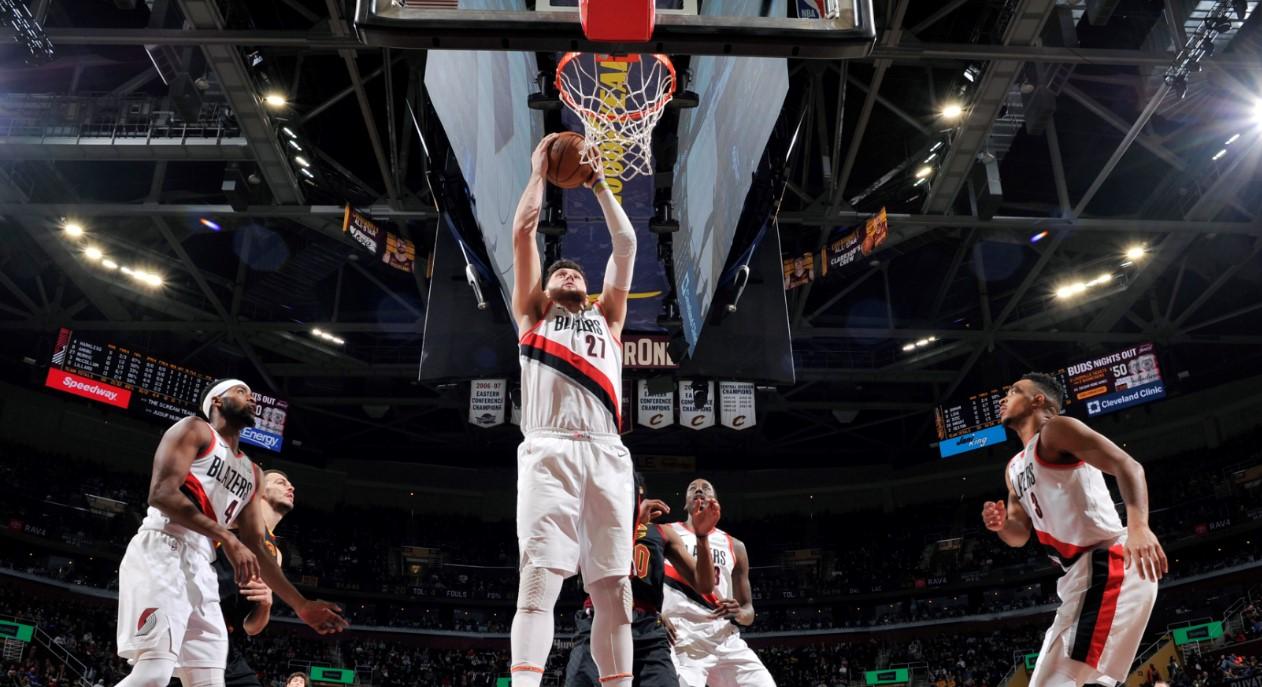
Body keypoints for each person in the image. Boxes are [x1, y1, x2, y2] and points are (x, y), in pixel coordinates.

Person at [113, 379, 346, 687]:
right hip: (163, 548)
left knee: (211, 682)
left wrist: (300, 604)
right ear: (218, 402)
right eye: (241, 392)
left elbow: (256, 546)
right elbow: (161, 493)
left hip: (201, 567)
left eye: (252, 395)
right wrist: (229, 537)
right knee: (154, 674)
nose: (251, 400)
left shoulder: (252, 472)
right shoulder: (194, 430)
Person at [508, 134, 638, 687]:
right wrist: (540, 172)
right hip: (549, 448)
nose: (568, 275)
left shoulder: (609, 318)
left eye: (575, 274)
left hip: (608, 452)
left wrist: (600, 183)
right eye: (559, 273)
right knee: (539, 579)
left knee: (615, 588)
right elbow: (523, 231)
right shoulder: (532, 316)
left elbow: (627, 243)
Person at [982, 372, 1165, 687]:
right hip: (1077, 580)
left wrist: (1139, 527)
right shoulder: (1013, 468)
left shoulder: (1056, 430)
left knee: (1060, 681)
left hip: (1110, 561)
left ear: (1038, 400)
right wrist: (1000, 525)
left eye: (1014, 391)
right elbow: (1019, 535)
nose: (1004, 398)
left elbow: (1129, 466)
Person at [564, 473, 720, 687]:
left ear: (639, 494)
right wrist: (633, 523)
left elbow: (704, 584)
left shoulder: (662, 532)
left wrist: (702, 538)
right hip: (598, 621)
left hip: (647, 628)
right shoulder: (595, 523)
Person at [662, 479, 776, 687]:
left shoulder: (736, 546)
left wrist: (739, 613)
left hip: (723, 636)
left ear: (714, 501)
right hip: (681, 636)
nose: (699, 489)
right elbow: (638, 580)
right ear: (686, 504)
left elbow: (748, 611)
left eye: (706, 488)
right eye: (692, 488)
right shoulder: (666, 534)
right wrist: (655, 615)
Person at [215, 470, 297, 687]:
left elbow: (252, 628)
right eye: (281, 482)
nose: (291, 487)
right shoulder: (233, 517)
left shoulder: (276, 555)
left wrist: (265, 605)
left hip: (222, 640)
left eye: (290, 484)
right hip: (187, 617)